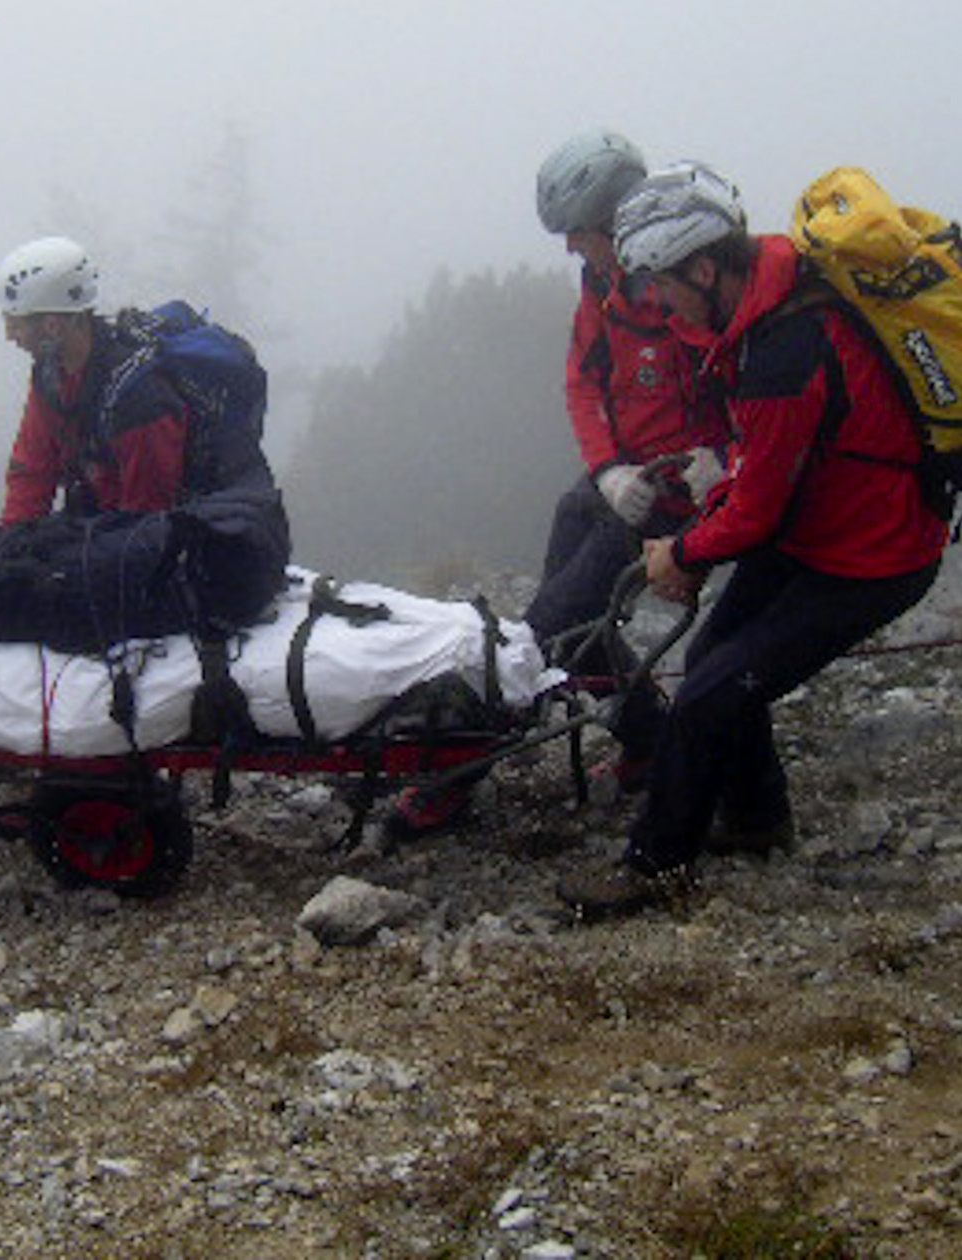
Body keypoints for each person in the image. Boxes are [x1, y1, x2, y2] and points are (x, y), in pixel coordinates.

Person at [558, 162, 948, 919]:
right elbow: (762, 471)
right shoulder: (771, 299)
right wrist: (706, 524)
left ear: (704, 269)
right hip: (823, 529)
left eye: (663, 282)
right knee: (715, 659)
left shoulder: (783, 353)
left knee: (708, 693)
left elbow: (758, 510)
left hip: (873, 557)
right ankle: (758, 817)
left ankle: (655, 866)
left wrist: (681, 553)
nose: (660, 302)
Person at [388, 131, 727, 838]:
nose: (571, 247)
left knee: (546, 630)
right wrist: (607, 471)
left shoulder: (690, 286)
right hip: (621, 483)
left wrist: (725, 458)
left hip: (677, 494)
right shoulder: (604, 284)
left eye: (578, 232)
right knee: (564, 621)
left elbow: (746, 378)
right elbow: (583, 381)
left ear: (615, 221)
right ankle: (649, 741)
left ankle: (456, 775)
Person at [0, 234, 290, 636]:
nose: (10, 335)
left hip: (182, 537)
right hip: (109, 523)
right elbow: (33, 469)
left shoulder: (138, 396)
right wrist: (9, 552)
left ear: (52, 324)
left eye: (16, 322)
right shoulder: (51, 376)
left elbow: (146, 518)